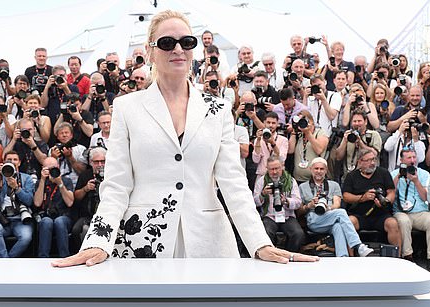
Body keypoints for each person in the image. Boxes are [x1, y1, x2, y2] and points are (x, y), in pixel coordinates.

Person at [52, 9, 318, 274]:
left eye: (187, 42)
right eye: (167, 43)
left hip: (207, 247)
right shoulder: (126, 108)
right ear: (150, 50)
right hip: (141, 242)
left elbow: (234, 184)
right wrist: (98, 241)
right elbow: (116, 185)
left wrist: (260, 243)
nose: (178, 49)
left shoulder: (219, 109)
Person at [299, 157, 373, 257]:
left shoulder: (333, 185)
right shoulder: (302, 187)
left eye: (322, 169)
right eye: (316, 169)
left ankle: (342, 258)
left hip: (330, 216)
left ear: (326, 170)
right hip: (314, 219)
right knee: (341, 212)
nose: (319, 171)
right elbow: (299, 211)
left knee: (338, 226)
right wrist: (309, 205)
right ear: (311, 169)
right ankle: (358, 245)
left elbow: (337, 204)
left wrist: (328, 208)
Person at [342, 148, 402, 252]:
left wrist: (385, 201)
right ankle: (350, 258)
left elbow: (391, 192)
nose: (372, 163)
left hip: (381, 214)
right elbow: (346, 196)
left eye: (374, 159)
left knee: (392, 224)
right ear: (360, 162)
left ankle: (398, 256)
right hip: (359, 214)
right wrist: (362, 198)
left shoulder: (383, 173)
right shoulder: (351, 176)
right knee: (350, 222)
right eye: (368, 160)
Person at [391, 148, 430, 269]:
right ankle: (408, 256)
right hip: (401, 212)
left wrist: (416, 181)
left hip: (420, 211)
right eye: (409, 158)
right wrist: (399, 176)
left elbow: (425, 197)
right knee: (403, 222)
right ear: (401, 160)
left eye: (414, 157)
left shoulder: (423, 174)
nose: (412, 161)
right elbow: (390, 195)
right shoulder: (394, 173)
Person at [0, 151, 35, 258]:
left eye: (15, 159)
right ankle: (4, 259)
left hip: (21, 219)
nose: (12, 162)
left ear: (19, 163)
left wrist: (17, 188)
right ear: (3, 163)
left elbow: (29, 201)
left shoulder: (27, 178)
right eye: (9, 160)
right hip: (2, 219)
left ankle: (7, 260)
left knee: (26, 237)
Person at [253, 156, 305, 252]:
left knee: (298, 233)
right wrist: (263, 194)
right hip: (269, 216)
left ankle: (290, 254)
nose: (274, 172)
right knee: (266, 232)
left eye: (277, 168)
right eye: (271, 169)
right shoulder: (262, 181)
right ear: (267, 169)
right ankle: (272, 255)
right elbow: (254, 202)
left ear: (282, 167)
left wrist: (286, 201)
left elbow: (298, 202)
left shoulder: (291, 181)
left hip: (287, 216)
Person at [34, 157, 74, 258]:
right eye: (48, 169)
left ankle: (64, 257)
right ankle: (42, 258)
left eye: (54, 168)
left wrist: (60, 183)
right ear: (43, 169)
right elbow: (37, 203)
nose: (52, 171)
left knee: (59, 222)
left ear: (58, 167)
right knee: (46, 221)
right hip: (46, 216)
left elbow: (70, 202)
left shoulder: (66, 181)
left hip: (63, 216)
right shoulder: (40, 182)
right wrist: (43, 180)